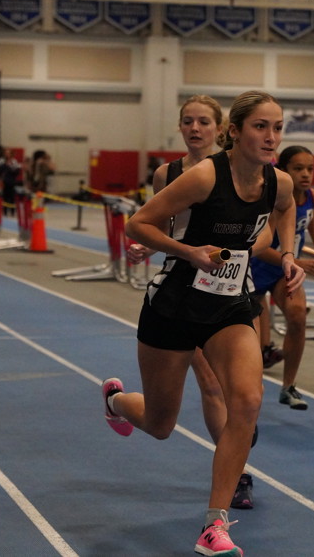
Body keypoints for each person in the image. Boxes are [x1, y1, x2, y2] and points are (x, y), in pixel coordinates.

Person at [105, 90, 304, 557]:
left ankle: (214, 525)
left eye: (277, 128)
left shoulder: (279, 182)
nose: (271, 137)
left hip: (229, 304)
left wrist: (289, 253)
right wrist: (188, 252)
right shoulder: (203, 177)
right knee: (160, 423)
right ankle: (115, 402)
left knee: (247, 401)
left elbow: (287, 207)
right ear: (235, 131)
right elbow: (138, 225)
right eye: (260, 126)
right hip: (174, 304)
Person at [126, 94, 258, 510]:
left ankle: (236, 476)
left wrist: (257, 252)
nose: (195, 128)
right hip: (181, 291)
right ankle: (116, 400)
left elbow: (263, 224)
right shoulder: (167, 174)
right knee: (162, 422)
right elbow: (164, 228)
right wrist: (147, 248)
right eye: (188, 121)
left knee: (217, 386)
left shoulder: (242, 171)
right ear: (180, 126)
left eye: (203, 121)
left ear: (220, 129)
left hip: (227, 293)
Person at [249, 145, 314, 411]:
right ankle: (247, 394)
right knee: (252, 347)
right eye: (298, 169)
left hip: (283, 270)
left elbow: (309, 218)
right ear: (284, 171)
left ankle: (288, 386)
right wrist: (297, 261)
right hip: (256, 269)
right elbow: (261, 249)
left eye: (310, 169)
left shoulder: (310, 196)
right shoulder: (275, 201)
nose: (306, 174)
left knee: (297, 316)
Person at [0, 147, 22, 215]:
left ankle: (12, 211)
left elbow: (16, 171)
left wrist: (10, 167)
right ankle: (5, 211)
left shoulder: (14, 161)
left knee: (12, 197)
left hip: (12, 181)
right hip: (4, 181)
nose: (7, 154)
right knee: (5, 196)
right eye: (6, 153)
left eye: (9, 153)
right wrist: (5, 165)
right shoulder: (1, 160)